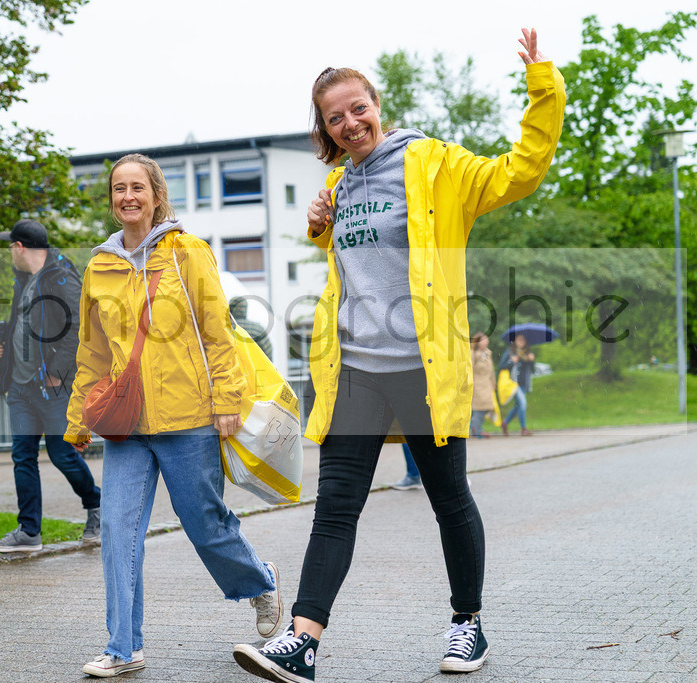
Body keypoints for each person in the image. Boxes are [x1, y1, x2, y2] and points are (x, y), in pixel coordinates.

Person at [232, 29, 564, 681]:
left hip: (422, 366)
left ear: (376, 104)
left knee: (449, 498)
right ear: (325, 128)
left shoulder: (434, 164)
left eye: (357, 108)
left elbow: (521, 169)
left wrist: (541, 86)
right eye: (335, 117)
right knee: (336, 505)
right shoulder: (339, 182)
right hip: (355, 368)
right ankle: (302, 641)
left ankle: (468, 625)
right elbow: (355, 262)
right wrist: (319, 223)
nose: (350, 123)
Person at [65, 153, 281, 678]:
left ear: (157, 195)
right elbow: (92, 351)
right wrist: (78, 418)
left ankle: (260, 581)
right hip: (128, 426)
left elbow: (217, 331)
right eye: (119, 188)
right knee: (117, 530)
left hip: (189, 419)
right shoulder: (99, 267)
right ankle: (124, 647)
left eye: (137, 187)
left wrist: (227, 400)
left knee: (205, 525)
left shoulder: (187, 253)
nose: (127, 196)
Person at [0, 219, 102, 553]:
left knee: (62, 454)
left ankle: (96, 506)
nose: (10, 252)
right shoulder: (23, 279)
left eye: (10, 246)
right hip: (20, 386)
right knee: (22, 456)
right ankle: (29, 532)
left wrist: (57, 372)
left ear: (20, 247)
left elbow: (79, 327)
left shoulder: (61, 277)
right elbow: (24, 323)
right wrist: (4, 347)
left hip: (52, 387)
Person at [499, 333, 535, 437]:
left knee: (517, 406)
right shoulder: (510, 352)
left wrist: (531, 361)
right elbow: (501, 366)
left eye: (523, 340)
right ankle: (523, 428)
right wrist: (511, 361)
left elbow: (533, 370)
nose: (521, 342)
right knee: (523, 403)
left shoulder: (527, 354)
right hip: (513, 383)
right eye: (519, 339)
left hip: (524, 384)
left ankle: (505, 423)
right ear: (514, 341)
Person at [470, 332, 497, 438]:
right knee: (479, 409)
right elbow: (469, 369)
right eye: (483, 340)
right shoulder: (473, 354)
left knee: (487, 408)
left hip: (487, 385)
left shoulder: (488, 353)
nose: (486, 342)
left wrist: (493, 383)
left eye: (486, 339)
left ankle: (474, 426)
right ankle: (477, 431)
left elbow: (491, 371)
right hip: (477, 385)